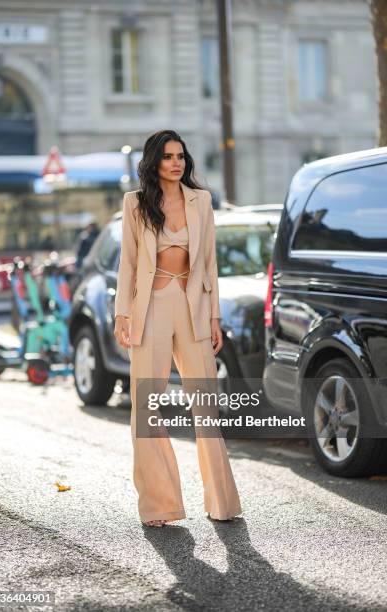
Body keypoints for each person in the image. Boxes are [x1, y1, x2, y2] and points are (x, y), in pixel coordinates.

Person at [114, 130, 242, 527]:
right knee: (147, 406)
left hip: (193, 307)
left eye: (181, 155)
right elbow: (129, 264)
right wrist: (123, 314)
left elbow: (210, 263)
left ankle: (222, 502)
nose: (176, 162)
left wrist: (215, 316)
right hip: (149, 308)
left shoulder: (201, 201)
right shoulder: (136, 203)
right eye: (168, 156)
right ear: (154, 162)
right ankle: (160, 506)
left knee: (205, 404)